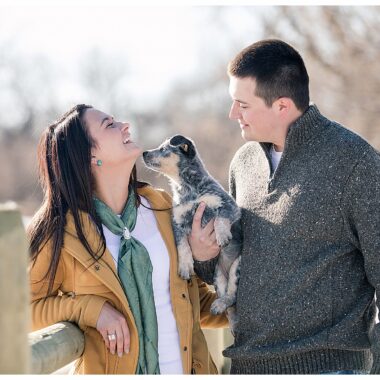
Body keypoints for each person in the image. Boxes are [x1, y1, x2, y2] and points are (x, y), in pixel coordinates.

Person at [189, 39, 380, 374]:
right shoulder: (243, 163)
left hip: (329, 369)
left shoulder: (356, 163)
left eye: (242, 105)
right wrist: (205, 258)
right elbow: (237, 268)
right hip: (247, 367)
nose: (233, 114)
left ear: (281, 106)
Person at [28, 104, 228, 374]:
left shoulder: (164, 207)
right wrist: (92, 310)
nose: (125, 125)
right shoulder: (61, 233)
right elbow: (23, 312)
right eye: (109, 125)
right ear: (89, 154)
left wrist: (261, 304)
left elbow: (196, 303)